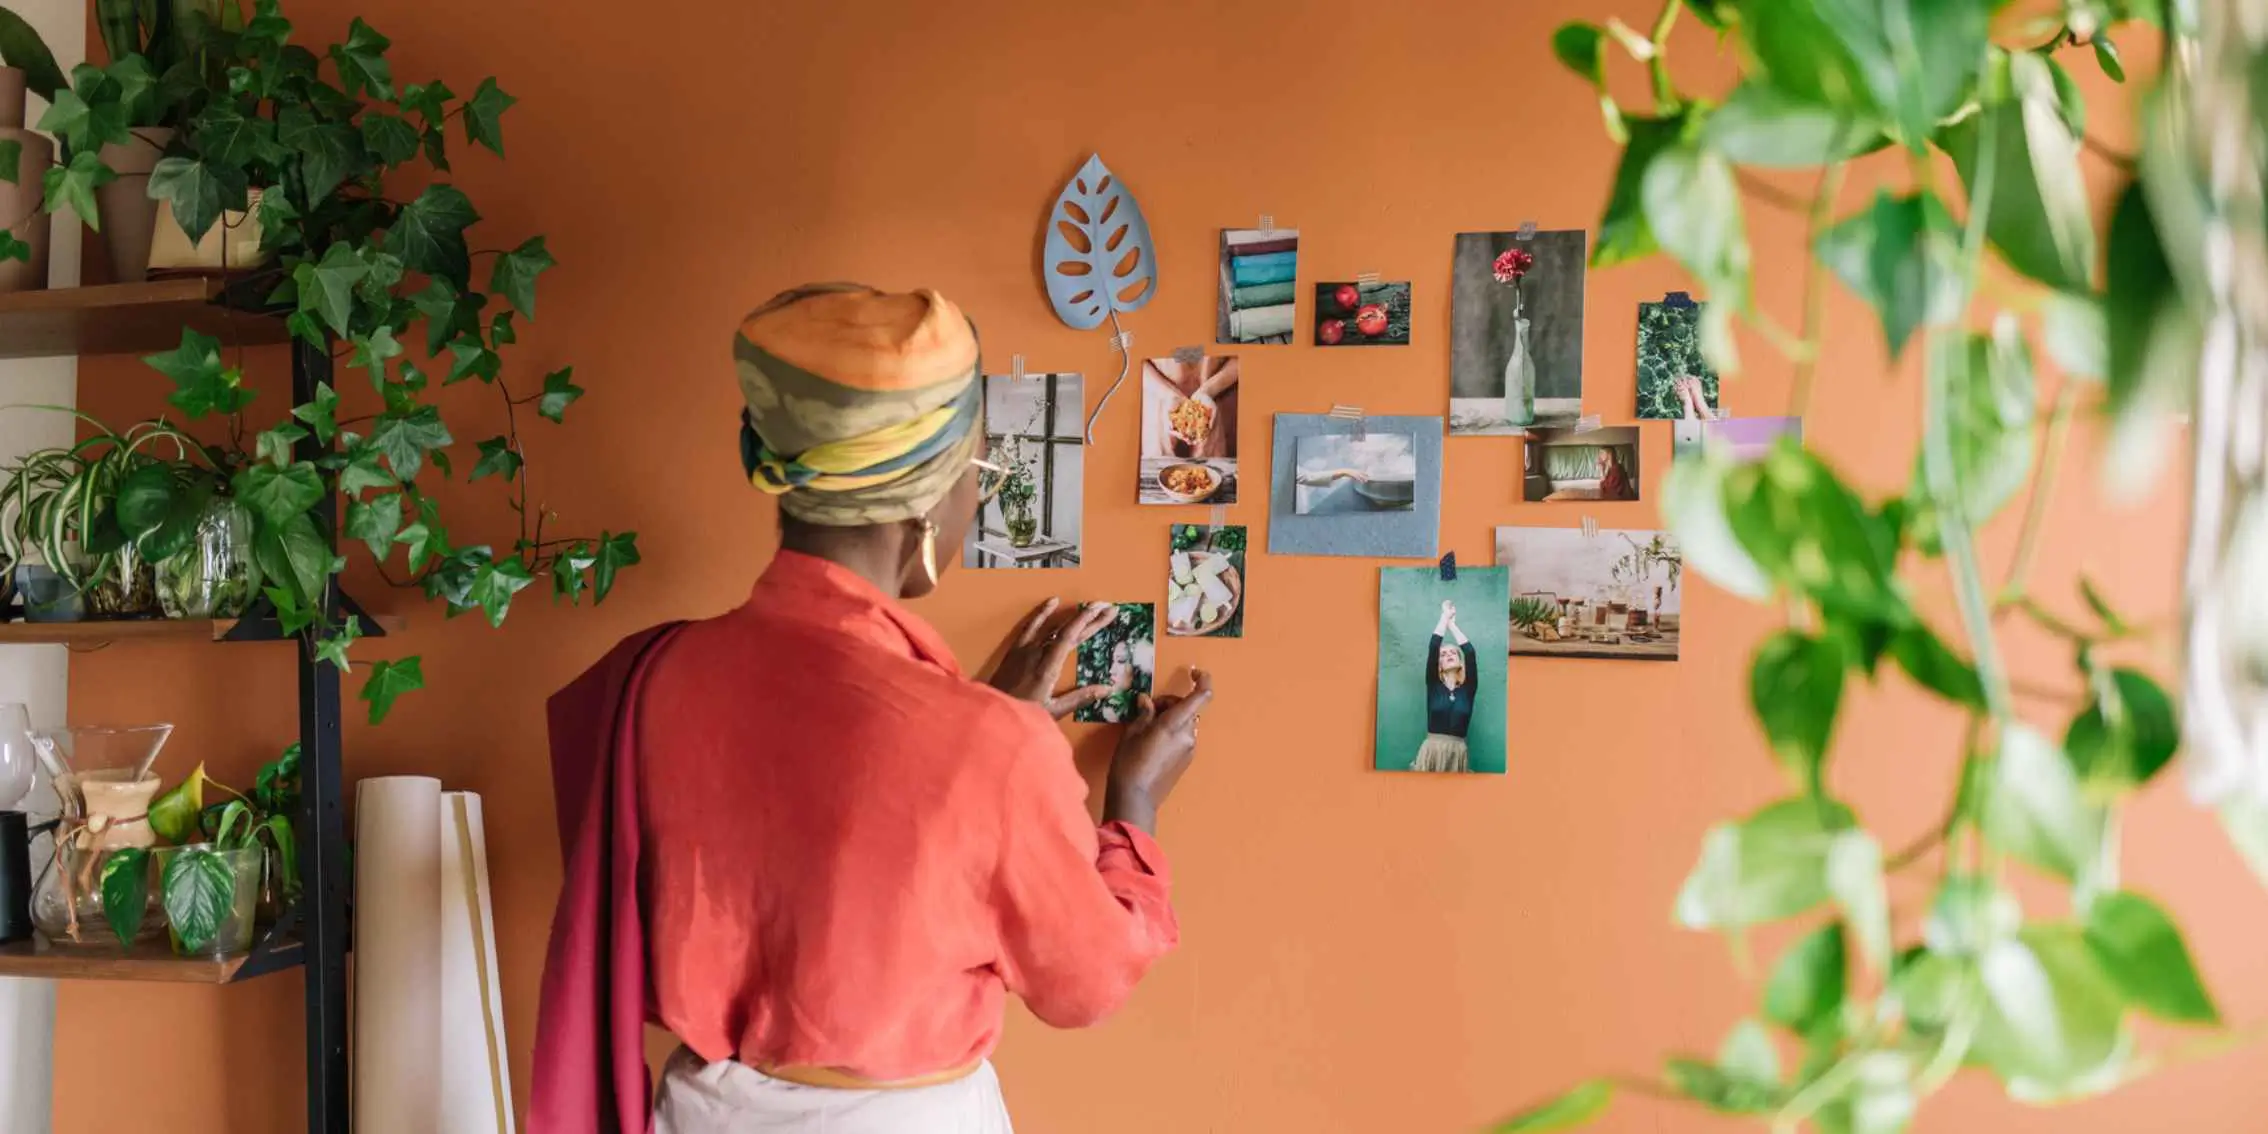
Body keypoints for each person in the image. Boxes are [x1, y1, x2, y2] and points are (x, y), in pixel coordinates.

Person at [532, 283, 1214, 1134]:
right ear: (926, 505)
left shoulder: (652, 675)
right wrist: (1134, 805)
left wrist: (980, 730)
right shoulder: (990, 747)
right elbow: (1086, 983)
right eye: (980, 476)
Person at [1411, 600, 1477, 774]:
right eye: (1443, 654)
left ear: (1460, 663)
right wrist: (1444, 617)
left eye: (1453, 653)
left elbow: (1470, 652)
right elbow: (1434, 646)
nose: (1448, 655)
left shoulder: (1468, 690)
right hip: (1432, 751)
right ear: (1439, 665)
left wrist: (1452, 625)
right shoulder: (1433, 685)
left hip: (1458, 753)